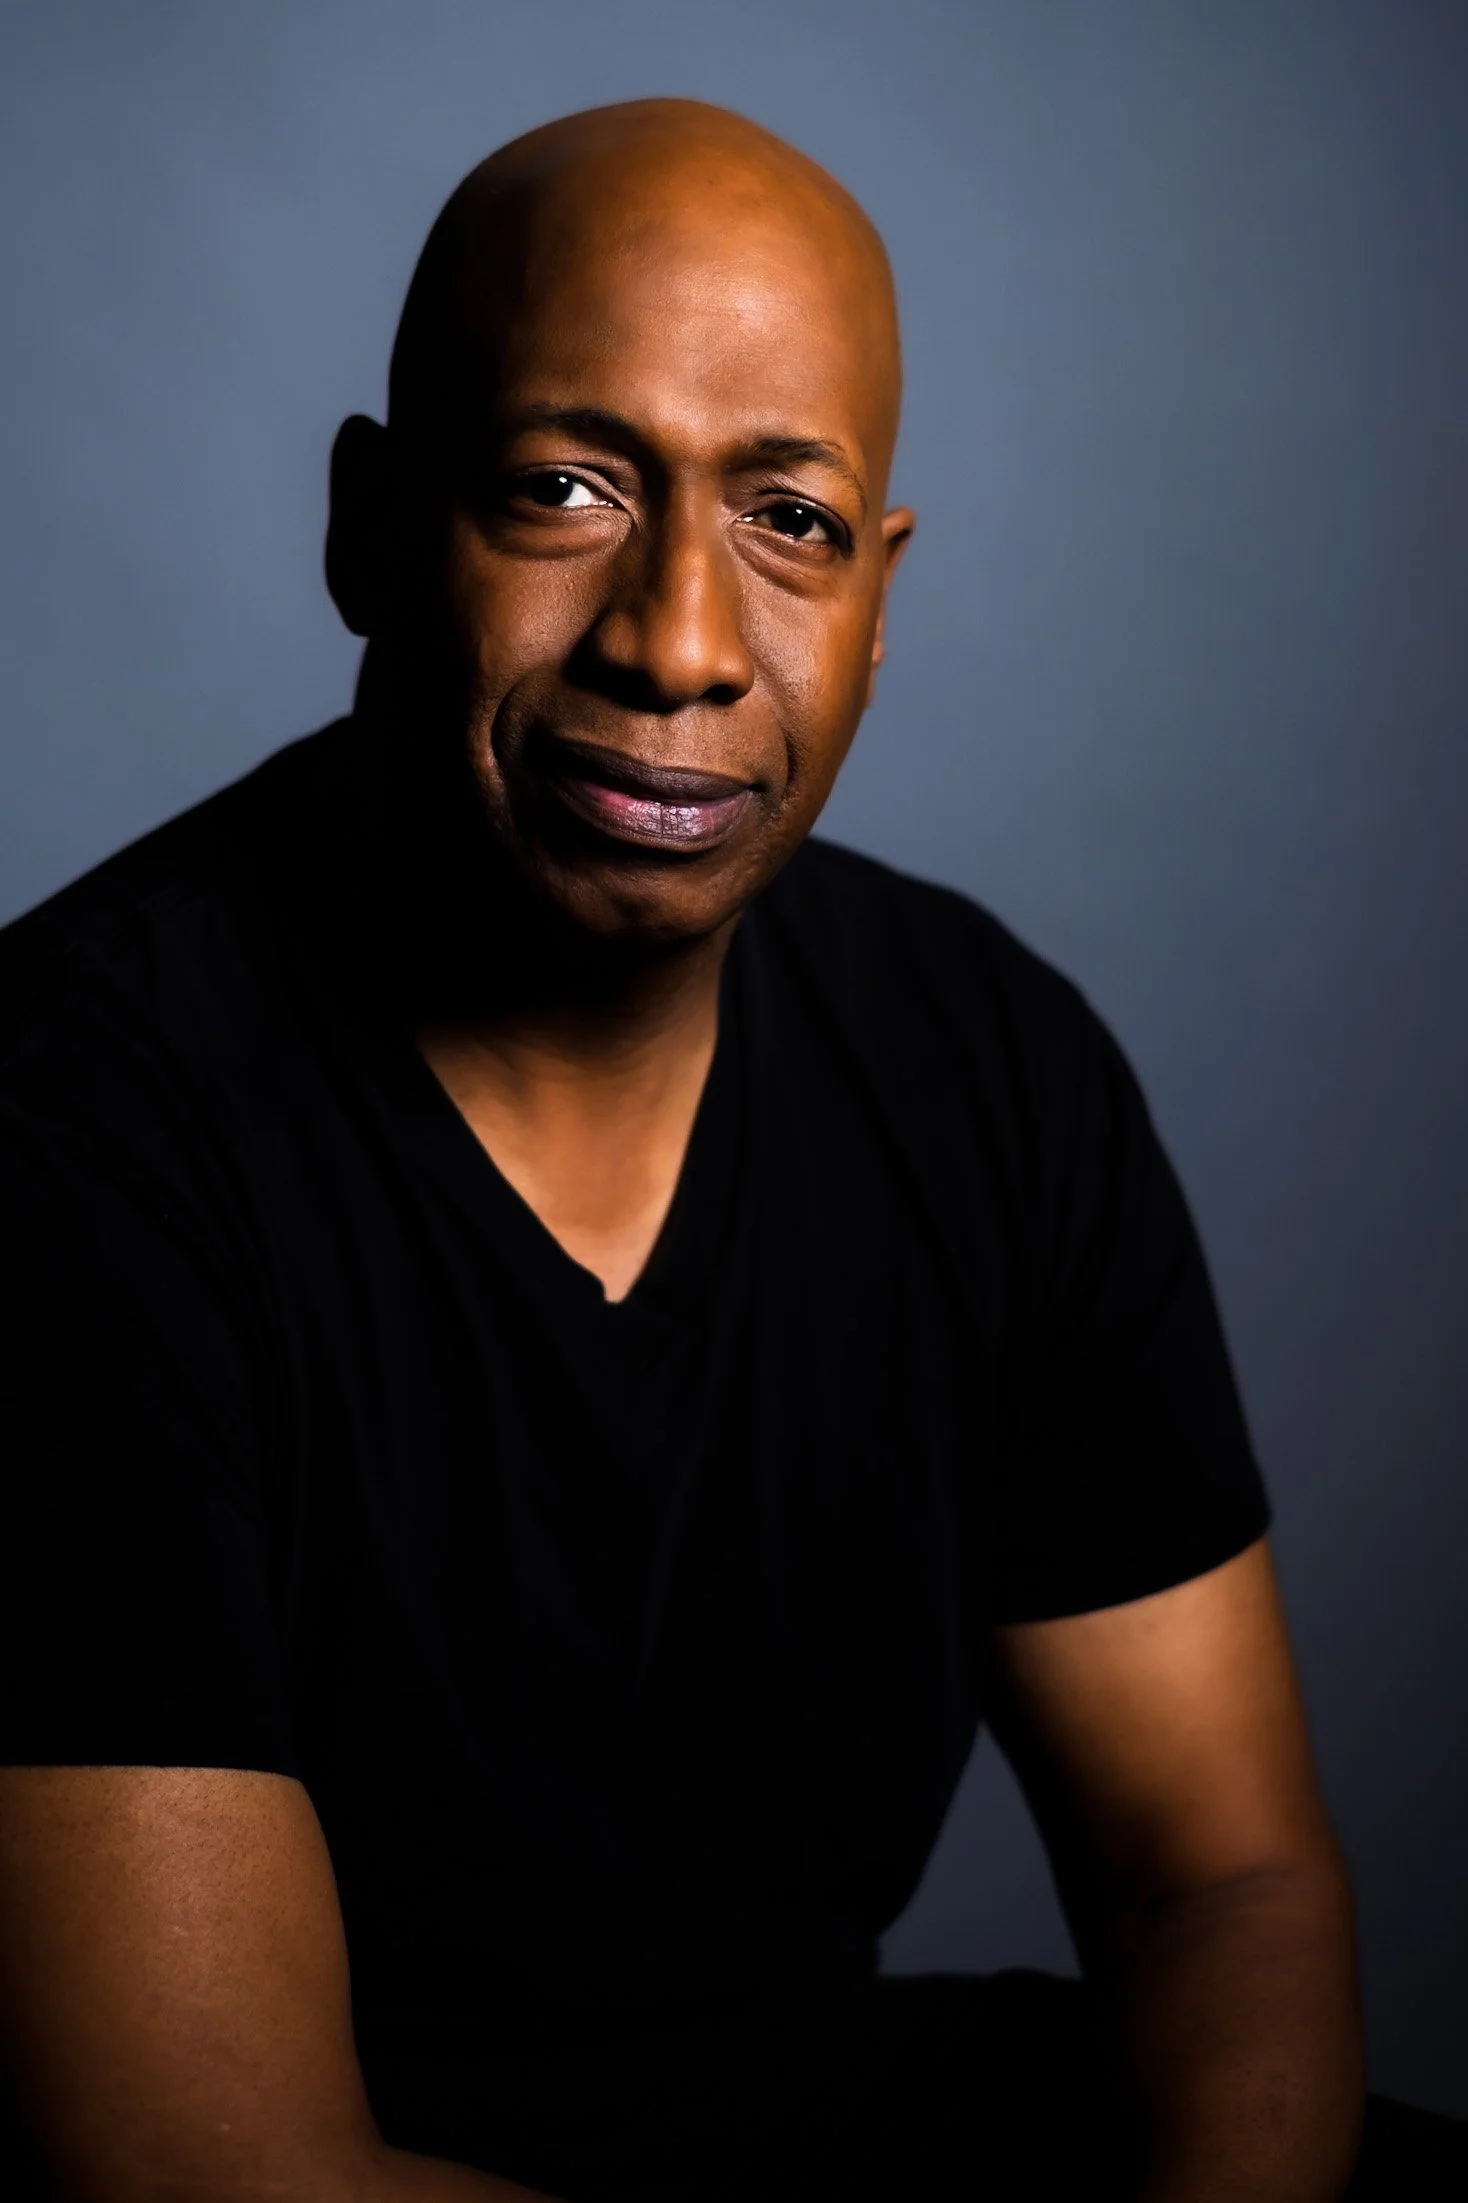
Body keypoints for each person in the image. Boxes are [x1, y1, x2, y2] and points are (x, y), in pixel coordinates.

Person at [0, 97, 1461, 2203]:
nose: (677, 638)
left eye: (784, 520)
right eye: (562, 488)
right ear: (368, 528)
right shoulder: (80, 1130)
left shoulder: (989, 1073)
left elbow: (1215, 1877)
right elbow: (206, 2161)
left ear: (876, 598)